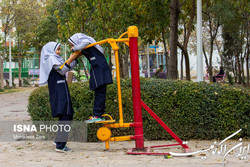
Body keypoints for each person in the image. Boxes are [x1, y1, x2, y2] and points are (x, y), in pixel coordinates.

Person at [39, 42, 78, 153]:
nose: (59, 52)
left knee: (66, 115)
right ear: (51, 50)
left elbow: (66, 66)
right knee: (66, 115)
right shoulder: (51, 59)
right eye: (58, 49)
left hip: (60, 90)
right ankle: (60, 145)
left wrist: (75, 59)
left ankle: (58, 141)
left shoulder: (54, 59)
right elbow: (62, 70)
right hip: (59, 92)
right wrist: (72, 58)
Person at [68, 33, 113, 123]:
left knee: (99, 92)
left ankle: (97, 115)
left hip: (99, 68)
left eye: (72, 45)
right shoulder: (88, 46)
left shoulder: (87, 42)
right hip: (98, 68)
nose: (72, 47)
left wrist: (75, 48)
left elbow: (85, 42)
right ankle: (98, 114)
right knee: (99, 92)